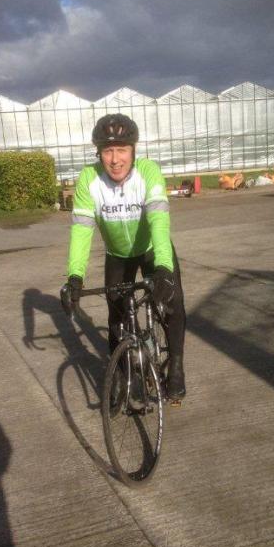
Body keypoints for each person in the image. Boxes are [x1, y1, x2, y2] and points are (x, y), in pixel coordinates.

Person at [63, 113, 186, 400]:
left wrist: (164, 269)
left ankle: (177, 367)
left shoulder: (148, 172)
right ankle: (122, 374)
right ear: (99, 153)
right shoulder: (88, 180)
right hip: (118, 255)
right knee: (117, 316)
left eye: (122, 150)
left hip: (152, 249)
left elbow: (159, 222)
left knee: (173, 302)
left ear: (133, 151)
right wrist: (75, 276)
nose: (115, 159)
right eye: (108, 150)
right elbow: (81, 231)